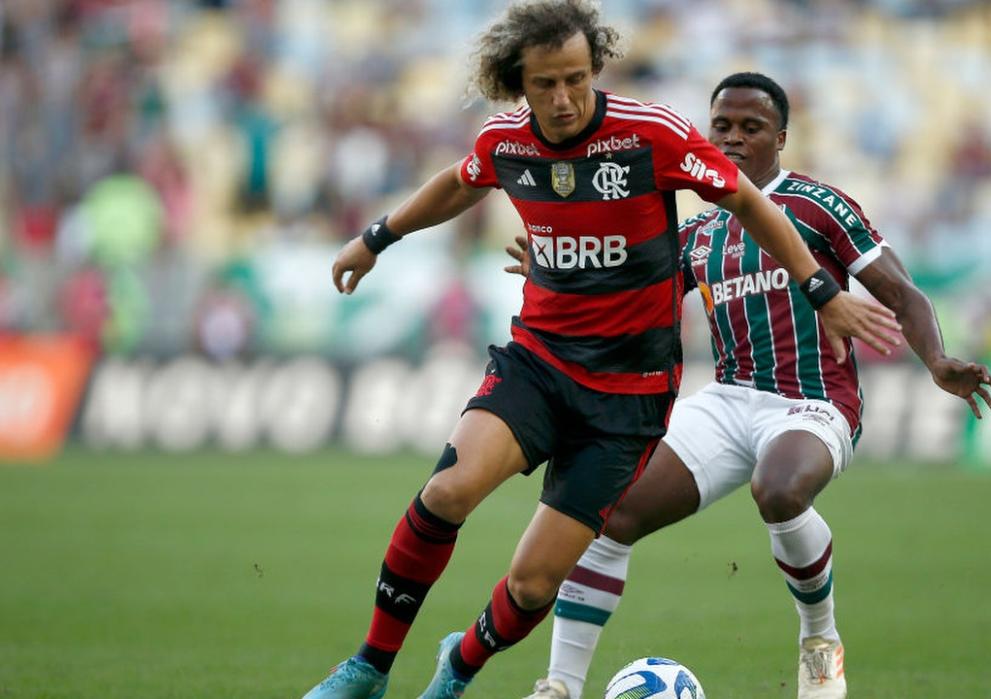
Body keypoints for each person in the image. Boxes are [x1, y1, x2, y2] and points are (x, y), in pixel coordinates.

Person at [302, 3, 903, 698]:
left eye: (576, 80)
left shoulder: (652, 136)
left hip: (628, 396)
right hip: (541, 360)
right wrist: (377, 236)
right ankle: (368, 668)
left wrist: (819, 287)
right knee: (448, 490)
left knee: (531, 583)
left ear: (596, 71)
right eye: (544, 85)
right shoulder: (507, 140)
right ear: (516, 83)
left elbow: (748, 202)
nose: (562, 99)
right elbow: (458, 183)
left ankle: (456, 667)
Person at [507, 72, 991, 699]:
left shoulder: (818, 206)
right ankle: (559, 686)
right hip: (728, 399)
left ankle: (819, 638)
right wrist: (559, 266)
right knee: (607, 509)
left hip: (813, 401)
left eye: (751, 128)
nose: (734, 139)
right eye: (722, 127)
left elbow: (900, 291)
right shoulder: (697, 233)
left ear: (781, 138)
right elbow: (620, 288)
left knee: (778, 489)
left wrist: (935, 359)